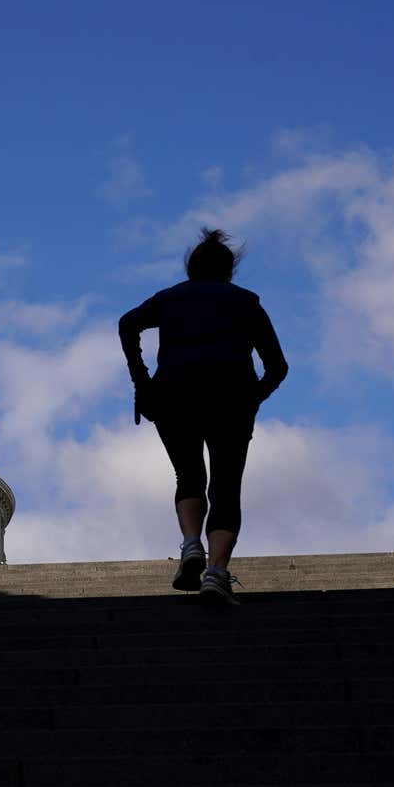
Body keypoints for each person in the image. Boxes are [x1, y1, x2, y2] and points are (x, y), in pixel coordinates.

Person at [118, 228, 288, 603]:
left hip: (174, 395)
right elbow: (278, 366)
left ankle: (191, 543)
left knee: (189, 476)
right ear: (229, 271)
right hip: (231, 398)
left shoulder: (170, 299)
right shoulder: (246, 302)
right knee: (226, 486)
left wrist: (142, 382)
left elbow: (127, 323)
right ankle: (216, 572)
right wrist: (254, 397)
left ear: (191, 269)